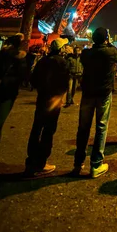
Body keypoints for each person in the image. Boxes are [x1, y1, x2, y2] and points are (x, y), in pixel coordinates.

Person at [72, 27, 117, 178]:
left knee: (83, 128)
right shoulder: (111, 52)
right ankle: (96, 164)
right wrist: (109, 42)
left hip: (88, 93)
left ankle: (78, 163)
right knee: (101, 127)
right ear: (106, 39)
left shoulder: (86, 53)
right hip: (104, 93)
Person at [25, 37, 69, 176]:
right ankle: (41, 163)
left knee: (36, 129)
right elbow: (64, 83)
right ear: (61, 49)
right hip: (54, 101)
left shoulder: (42, 61)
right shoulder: (62, 62)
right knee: (48, 131)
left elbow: (33, 79)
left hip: (42, 98)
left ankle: (31, 162)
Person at [0, 34, 27, 160]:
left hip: (3, 91)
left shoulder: (8, 57)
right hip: (4, 92)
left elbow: (21, 76)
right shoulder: (12, 57)